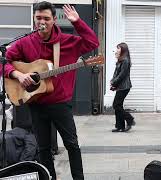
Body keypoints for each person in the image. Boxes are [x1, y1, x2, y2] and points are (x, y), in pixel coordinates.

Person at [3, 1, 99, 180]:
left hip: (60, 104)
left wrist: (77, 22)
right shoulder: (25, 42)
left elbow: (93, 42)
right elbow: (3, 62)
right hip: (36, 103)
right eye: (38, 18)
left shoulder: (69, 42)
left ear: (54, 19)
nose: (42, 22)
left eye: (46, 18)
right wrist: (17, 75)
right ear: (33, 20)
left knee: (72, 145)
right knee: (43, 148)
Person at [110, 42, 135, 132]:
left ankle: (129, 119)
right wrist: (113, 82)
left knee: (116, 105)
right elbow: (116, 73)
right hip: (120, 86)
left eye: (118, 48)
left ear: (123, 50)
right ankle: (120, 126)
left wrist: (114, 82)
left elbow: (122, 75)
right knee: (118, 105)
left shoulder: (125, 61)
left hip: (124, 87)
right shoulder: (120, 60)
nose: (117, 50)